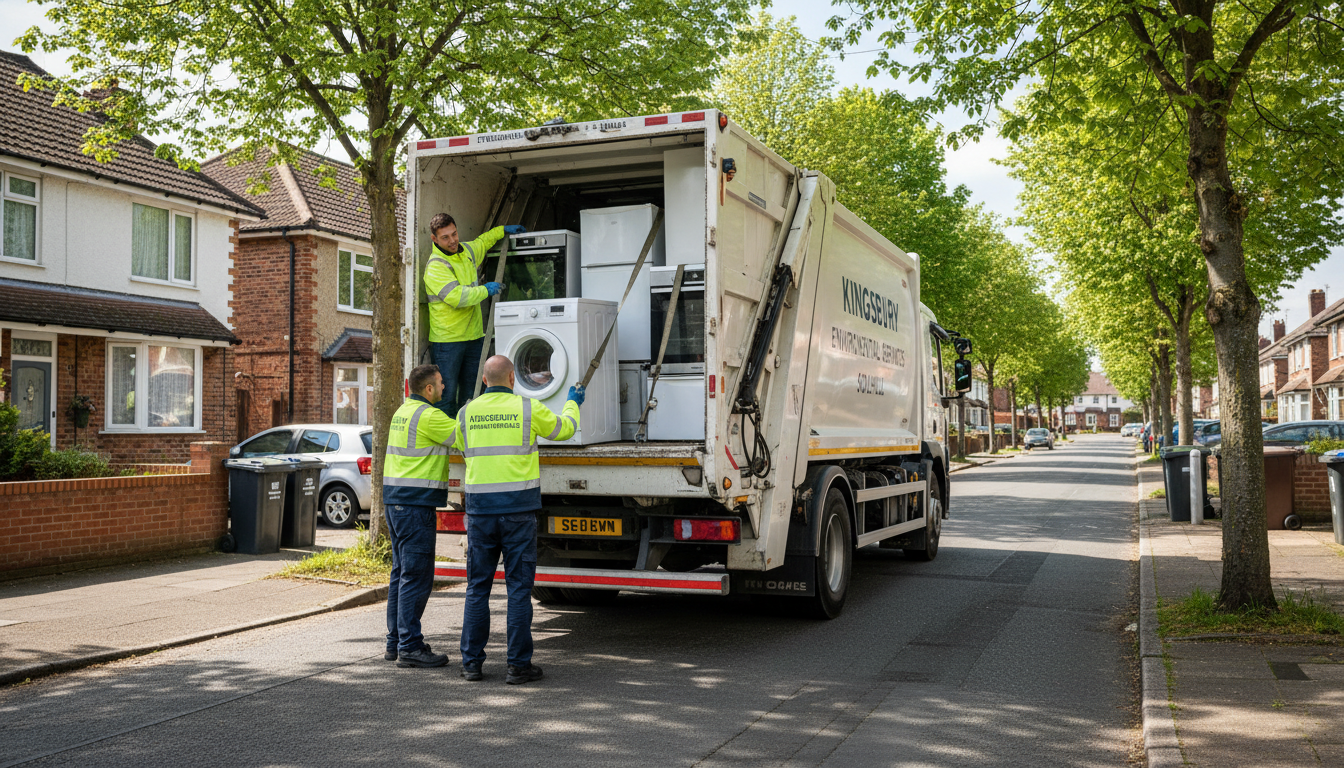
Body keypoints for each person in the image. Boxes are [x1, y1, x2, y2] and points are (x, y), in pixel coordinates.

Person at [454, 355, 583, 685]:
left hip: (480, 513)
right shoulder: (528, 408)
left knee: (477, 588)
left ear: (485, 380)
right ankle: (518, 666)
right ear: (513, 378)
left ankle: (471, 664)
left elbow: (462, 447)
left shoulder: (466, 412)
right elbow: (564, 430)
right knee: (518, 590)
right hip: (518, 513)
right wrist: (572, 402)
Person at [382, 363, 458, 668]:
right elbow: (465, 438)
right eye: (440, 384)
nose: (443, 389)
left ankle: (395, 642)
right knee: (416, 577)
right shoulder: (430, 416)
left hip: (396, 503)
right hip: (414, 506)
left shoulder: (403, 411)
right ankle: (410, 647)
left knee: (401, 575)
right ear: (428, 389)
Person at [424, 213, 528, 415]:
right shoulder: (436, 265)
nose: (452, 240)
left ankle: (467, 442)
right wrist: (485, 290)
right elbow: (457, 297)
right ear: (434, 239)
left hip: (473, 337)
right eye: (445, 237)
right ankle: (449, 443)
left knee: (472, 396)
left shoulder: (467, 251)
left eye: (454, 234)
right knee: (445, 397)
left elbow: (483, 241)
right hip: (448, 342)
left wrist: (502, 230)